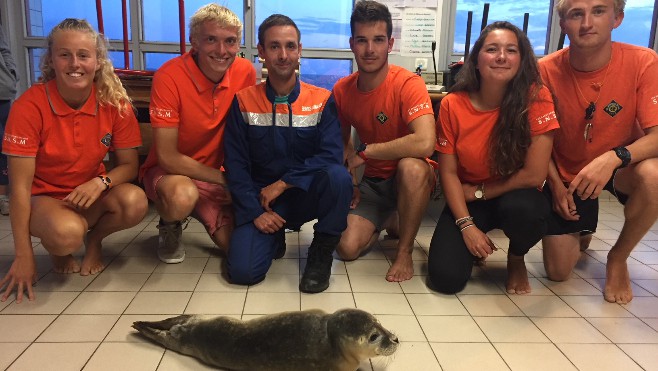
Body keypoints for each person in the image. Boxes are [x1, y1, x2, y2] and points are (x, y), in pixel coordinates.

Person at [0, 18, 148, 303]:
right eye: (64, 54)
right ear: (51, 60)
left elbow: (130, 166)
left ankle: (95, 240)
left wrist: (101, 182)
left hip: (89, 194)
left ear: (97, 61)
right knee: (67, 233)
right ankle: (61, 249)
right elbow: (18, 188)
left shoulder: (114, 103)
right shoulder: (28, 107)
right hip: (44, 200)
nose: (74, 64)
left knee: (135, 201)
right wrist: (24, 255)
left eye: (83, 55)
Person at [539, 0, 658, 304]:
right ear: (563, 24)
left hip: (622, 166)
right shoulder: (544, 71)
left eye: (599, 11)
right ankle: (583, 229)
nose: (587, 23)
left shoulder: (643, 61)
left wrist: (614, 157)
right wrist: (554, 186)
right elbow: (538, 141)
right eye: (576, 14)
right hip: (571, 174)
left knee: (654, 176)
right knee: (557, 271)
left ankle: (618, 257)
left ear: (617, 18)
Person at [224, 14, 352, 293]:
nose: (283, 55)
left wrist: (283, 184)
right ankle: (274, 234)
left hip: (304, 195)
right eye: (274, 47)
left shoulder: (320, 100)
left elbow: (331, 156)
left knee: (339, 177)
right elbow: (235, 164)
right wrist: (254, 211)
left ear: (299, 50)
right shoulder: (243, 101)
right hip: (264, 200)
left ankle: (321, 254)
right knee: (243, 272)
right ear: (261, 52)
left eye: (290, 46)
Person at [428, 21, 559, 294]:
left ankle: (516, 258)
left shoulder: (537, 98)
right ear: (476, 60)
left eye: (511, 50)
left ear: (521, 61)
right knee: (445, 280)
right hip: (468, 199)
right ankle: (474, 243)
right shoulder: (453, 103)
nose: (501, 56)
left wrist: (479, 192)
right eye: (492, 49)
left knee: (528, 211)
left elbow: (534, 175)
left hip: (515, 195)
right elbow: (448, 173)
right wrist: (467, 226)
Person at [140, 4, 255, 263]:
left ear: (239, 44)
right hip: (170, 173)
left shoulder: (245, 71)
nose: (222, 51)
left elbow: (244, 134)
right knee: (182, 196)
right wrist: (226, 181)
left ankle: (206, 209)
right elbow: (168, 157)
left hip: (216, 172)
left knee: (243, 256)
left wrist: (239, 179)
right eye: (211, 39)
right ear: (194, 41)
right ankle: (170, 223)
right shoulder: (169, 76)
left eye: (230, 41)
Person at [333, 0, 436, 282]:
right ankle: (391, 219)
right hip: (374, 185)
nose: (370, 50)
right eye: (362, 41)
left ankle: (404, 252)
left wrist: (367, 153)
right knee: (345, 248)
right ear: (352, 44)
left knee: (411, 167)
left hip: (412, 177)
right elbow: (343, 145)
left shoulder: (408, 84)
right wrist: (352, 183)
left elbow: (426, 142)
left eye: (378, 40)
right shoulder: (342, 90)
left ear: (390, 43)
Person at [0, 26, 18, 215]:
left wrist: (10, 75)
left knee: (3, 147)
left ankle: (3, 196)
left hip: (2, 92)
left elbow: (4, 49)